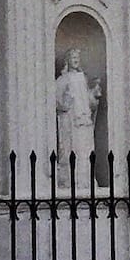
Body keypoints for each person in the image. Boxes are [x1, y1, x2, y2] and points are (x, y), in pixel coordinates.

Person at [54, 49, 102, 186]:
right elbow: (57, 100)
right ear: (67, 60)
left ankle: (85, 180)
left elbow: (88, 101)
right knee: (71, 148)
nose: (75, 60)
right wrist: (66, 102)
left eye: (77, 57)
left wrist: (94, 94)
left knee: (85, 149)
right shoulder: (62, 79)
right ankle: (70, 180)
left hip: (84, 120)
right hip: (70, 121)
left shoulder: (83, 78)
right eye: (73, 57)